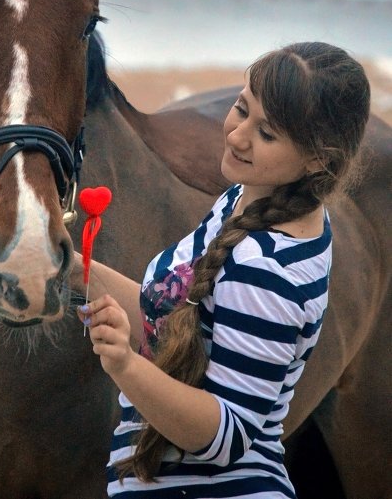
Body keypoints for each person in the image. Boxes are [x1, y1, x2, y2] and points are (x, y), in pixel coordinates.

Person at [73, 41, 371, 499]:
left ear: (318, 159)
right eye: (241, 108)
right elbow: (172, 317)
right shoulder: (250, 201)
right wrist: (74, 271)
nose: (236, 135)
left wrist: (126, 365)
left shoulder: (268, 273)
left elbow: (225, 437)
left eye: (267, 133)